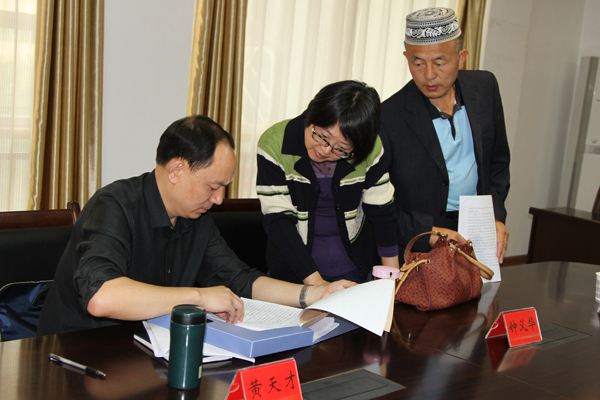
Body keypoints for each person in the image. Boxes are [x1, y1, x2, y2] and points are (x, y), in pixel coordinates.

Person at [37, 115, 354, 336]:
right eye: (212, 187)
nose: (218, 199)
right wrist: (199, 298)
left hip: (150, 349)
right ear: (177, 169)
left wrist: (313, 294)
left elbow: (240, 279)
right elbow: (102, 297)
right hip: (78, 356)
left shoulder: (196, 217)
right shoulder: (114, 205)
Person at [380, 7, 510, 263]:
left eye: (440, 63)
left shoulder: (485, 88)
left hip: (477, 227)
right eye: (418, 63)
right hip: (421, 240)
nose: (429, 75)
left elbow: (497, 162)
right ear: (406, 58)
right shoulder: (388, 117)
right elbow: (378, 199)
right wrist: (428, 232)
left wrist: (495, 216)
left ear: (461, 58)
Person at [256, 80, 399, 286]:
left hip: (354, 270)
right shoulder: (275, 142)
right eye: (322, 136)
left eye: (341, 149)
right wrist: (318, 285)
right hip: (293, 274)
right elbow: (279, 221)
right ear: (311, 113)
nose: (325, 150)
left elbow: (382, 213)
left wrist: (392, 281)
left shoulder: (371, 148)